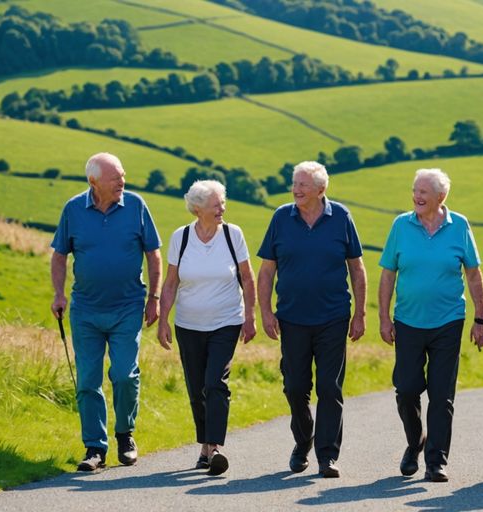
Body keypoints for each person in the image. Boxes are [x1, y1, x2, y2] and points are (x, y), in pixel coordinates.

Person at [50, 152, 161, 472]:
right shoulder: (73, 209)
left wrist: (153, 297)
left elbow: (153, 254)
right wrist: (59, 294)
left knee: (124, 375)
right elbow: (59, 256)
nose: (122, 182)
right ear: (94, 182)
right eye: (115, 178)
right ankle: (94, 448)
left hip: (127, 307)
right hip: (85, 310)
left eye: (123, 175)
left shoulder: (136, 206)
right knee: (87, 381)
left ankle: (125, 434)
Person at [257, 161, 367, 479]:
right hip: (291, 318)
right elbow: (266, 271)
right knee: (295, 387)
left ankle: (327, 456)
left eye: (303, 184)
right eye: (295, 183)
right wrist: (265, 311)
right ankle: (303, 440)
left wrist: (359, 313)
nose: (296, 189)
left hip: (333, 317)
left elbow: (357, 269)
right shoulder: (281, 217)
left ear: (321, 189)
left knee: (330, 388)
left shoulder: (341, 217)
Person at [378, 168, 483, 483]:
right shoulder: (401, 225)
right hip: (408, 321)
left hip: (448, 321)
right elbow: (387, 274)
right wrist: (384, 317)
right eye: (415, 190)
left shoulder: (459, 226)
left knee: (442, 394)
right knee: (407, 389)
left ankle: (436, 461)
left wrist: (480, 318)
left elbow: (474, 273)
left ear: (441, 197)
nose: (417, 196)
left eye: (424, 191)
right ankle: (416, 441)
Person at [157, 180, 256, 476]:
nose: (222, 209)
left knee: (215, 383)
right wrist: (163, 320)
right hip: (188, 324)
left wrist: (250, 316)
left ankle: (214, 448)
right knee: (196, 387)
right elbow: (172, 281)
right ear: (198, 209)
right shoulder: (181, 237)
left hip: (226, 321)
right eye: (216, 205)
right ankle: (205, 446)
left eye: (222, 203)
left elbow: (247, 278)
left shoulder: (232, 235)